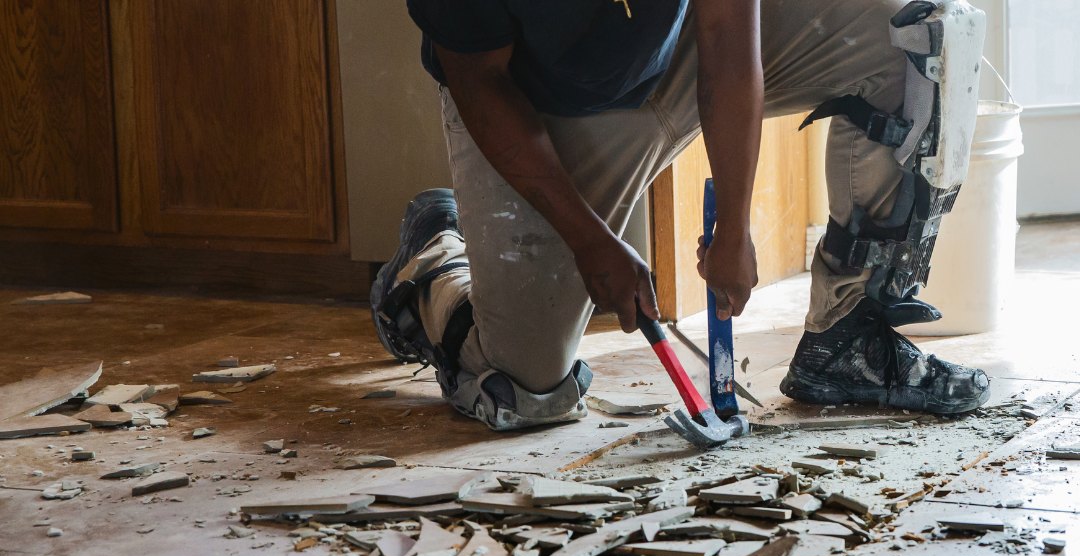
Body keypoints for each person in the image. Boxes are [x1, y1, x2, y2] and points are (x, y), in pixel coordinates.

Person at [371, 0, 991, 431]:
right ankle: (438, 265)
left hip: (681, 55)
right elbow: (481, 81)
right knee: (526, 390)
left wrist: (735, 226)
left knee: (916, 35)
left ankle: (847, 340)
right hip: (541, 113)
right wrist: (590, 243)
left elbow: (725, 36)